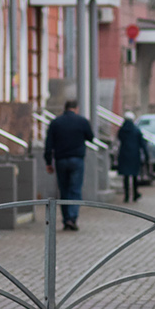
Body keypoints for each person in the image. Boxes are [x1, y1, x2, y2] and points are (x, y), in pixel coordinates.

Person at [44, 99, 94, 231]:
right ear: (76, 108)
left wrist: (48, 162)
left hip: (61, 160)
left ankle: (66, 219)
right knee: (75, 190)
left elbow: (48, 144)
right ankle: (72, 218)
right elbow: (91, 137)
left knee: (64, 190)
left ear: (64, 108)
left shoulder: (56, 122)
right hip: (77, 160)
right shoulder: (82, 121)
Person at [115, 111, 147, 204]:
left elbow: (119, 139)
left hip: (124, 154)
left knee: (125, 176)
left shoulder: (121, 130)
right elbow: (142, 143)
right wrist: (146, 155)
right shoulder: (136, 130)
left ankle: (126, 195)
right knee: (134, 176)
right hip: (134, 155)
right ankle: (135, 194)